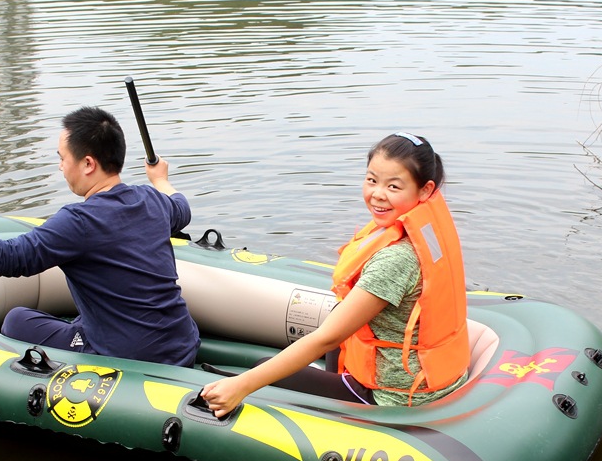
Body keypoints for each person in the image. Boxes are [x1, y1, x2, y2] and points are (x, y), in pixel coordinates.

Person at [0, 106, 200, 367]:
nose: (60, 166)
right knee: (85, 316)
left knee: (17, 320)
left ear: (88, 164)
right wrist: (160, 179)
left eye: (62, 158)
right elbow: (181, 209)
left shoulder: (78, 222)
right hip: (183, 342)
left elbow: (8, 259)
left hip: (129, 357)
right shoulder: (152, 199)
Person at [201, 132, 469, 416]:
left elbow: (327, 337)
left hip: (396, 398)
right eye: (371, 180)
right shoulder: (422, 231)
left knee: (260, 370)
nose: (377, 194)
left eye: (393, 186)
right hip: (429, 378)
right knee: (337, 318)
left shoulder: (397, 259)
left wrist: (240, 386)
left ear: (425, 190)